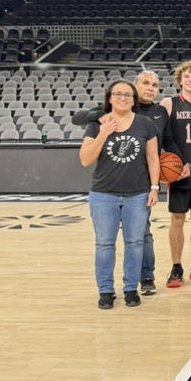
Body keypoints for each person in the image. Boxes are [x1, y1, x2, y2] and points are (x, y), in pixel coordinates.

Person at [72, 69, 181, 296]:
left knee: (141, 237)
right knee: (109, 242)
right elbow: (77, 118)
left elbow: (167, 143)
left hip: (141, 187)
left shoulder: (159, 113)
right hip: (109, 187)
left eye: (154, 85)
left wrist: (180, 164)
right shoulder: (109, 112)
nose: (150, 88)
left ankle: (145, 277)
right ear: (134, 87)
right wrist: (98, 119)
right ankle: (107, 290)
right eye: (145, 83)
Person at [79, 78, 159, 309]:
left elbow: (152, 158)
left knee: (135, 243)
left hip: (137, 194)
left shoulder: (145, 124)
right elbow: (85, 159)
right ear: (109, 98)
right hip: (104, 194)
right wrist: (104, 133)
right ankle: (105, 291)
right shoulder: (96, 125)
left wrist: (154, 187)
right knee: (104, 244)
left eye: (127, 95)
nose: (122, 98)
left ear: (134, 100)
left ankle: (130, 288)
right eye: (118, 94)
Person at [161, 61, 191, 288]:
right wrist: (179, 164)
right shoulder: (169, 104)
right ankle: (176, 267)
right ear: (179, 80)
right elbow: (164, 139)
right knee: (177, 219)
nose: (190, 79)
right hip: (178, 172)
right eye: (186, 76)